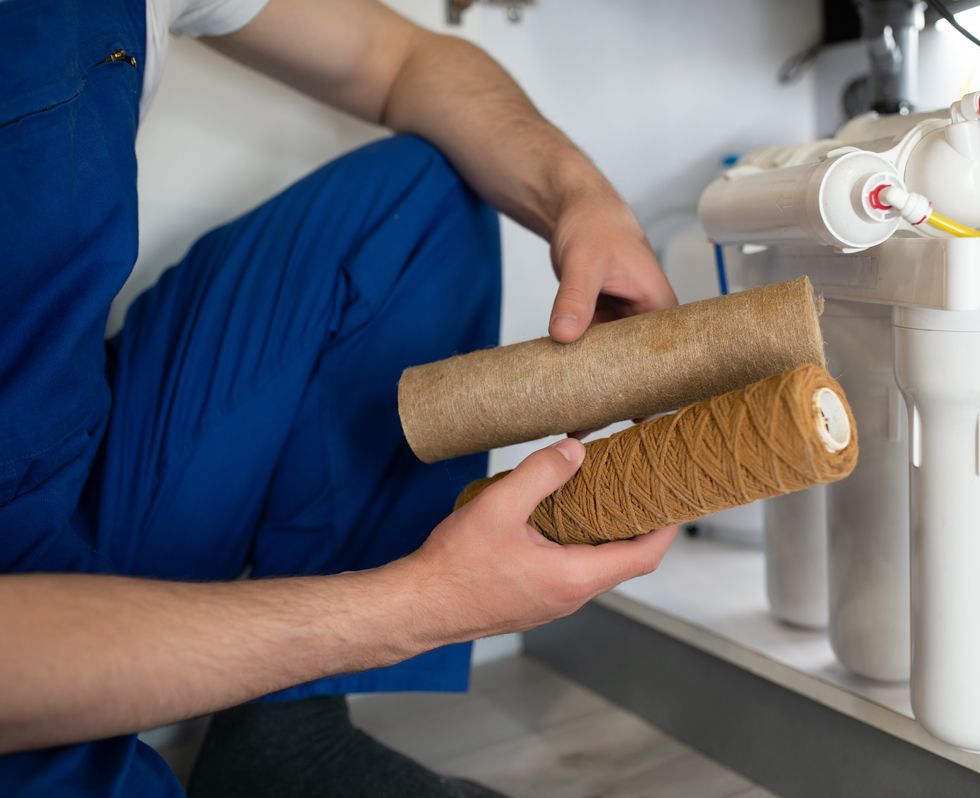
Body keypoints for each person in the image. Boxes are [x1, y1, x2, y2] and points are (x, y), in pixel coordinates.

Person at [0, 0, 679, 794]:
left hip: (60, 452)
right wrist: (418, 604)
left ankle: (287, 735)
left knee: (416, 199)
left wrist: (581, 201)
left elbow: (404, 61)